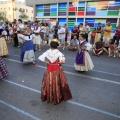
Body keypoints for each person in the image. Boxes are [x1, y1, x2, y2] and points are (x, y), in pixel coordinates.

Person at [38, 38, 72, 105]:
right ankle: (56, 96)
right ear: (57, 45)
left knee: (48, 82)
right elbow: (63, 61)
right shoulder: (59, 53)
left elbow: (40, 57)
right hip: (57, 69)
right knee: (57, 83)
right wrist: (60, 62)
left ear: (50, 45)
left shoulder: (47, 52)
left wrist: (46, 61)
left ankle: (48, 96)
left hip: (49, 69)